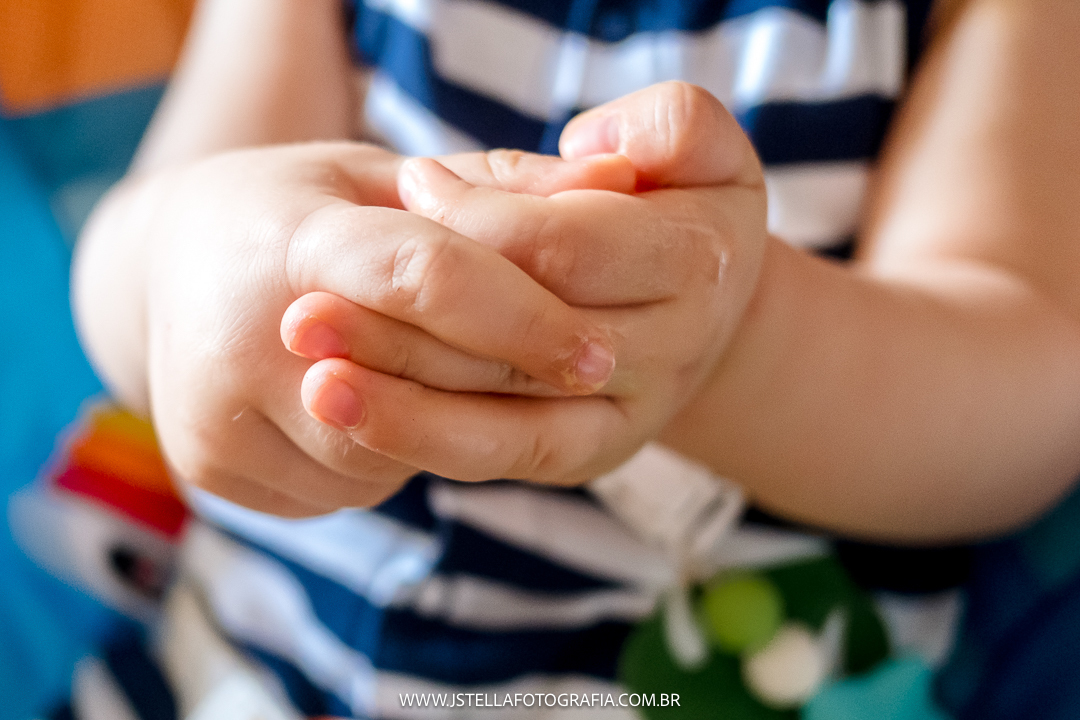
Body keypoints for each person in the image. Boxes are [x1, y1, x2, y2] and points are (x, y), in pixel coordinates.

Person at [66, 0, 1080, 716]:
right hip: (243, 674)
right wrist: (197, 267)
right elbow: (127, 267)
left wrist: (733, 339)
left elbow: (1023, 402)